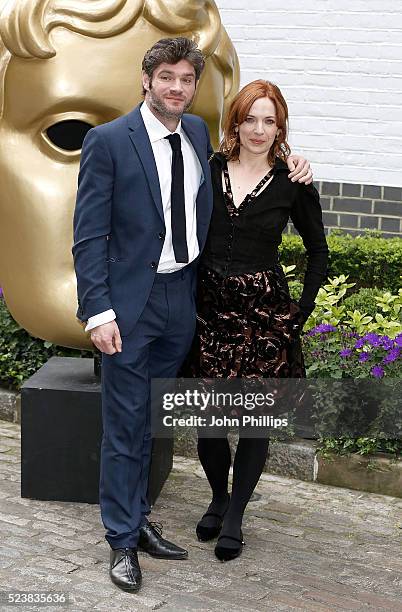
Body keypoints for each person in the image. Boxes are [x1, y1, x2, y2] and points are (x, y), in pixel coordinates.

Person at [72, 38, 313, 593]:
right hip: (130, 306)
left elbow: (252, 169)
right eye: (167, 78)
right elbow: (87, 236)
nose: (177, 88)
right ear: (146, 80)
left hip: (184, 300)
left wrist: (294, 160)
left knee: (155, 421)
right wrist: (98, 311)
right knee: (124, 424)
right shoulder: (108, 141)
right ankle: (121, 540)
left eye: (187, 79)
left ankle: (139, 518)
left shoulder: (198, 134)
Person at [192, 80, 329, 562]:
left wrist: (301, 312)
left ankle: (234, 517)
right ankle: (217, 497)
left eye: (269, 120)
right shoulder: (207, 168)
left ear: (280, 127)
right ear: (236, 120)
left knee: (253, 422)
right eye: (250, 118)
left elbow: (319, 252)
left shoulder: (293, 180)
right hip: (209, 311)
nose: (258, 129)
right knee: (207, 422)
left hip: (265, 318)